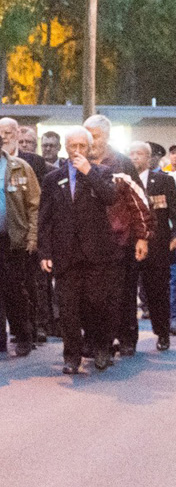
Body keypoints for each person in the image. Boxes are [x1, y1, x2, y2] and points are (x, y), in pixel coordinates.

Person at [38, 128, 119, 373]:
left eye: (82, 146)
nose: (77, 151)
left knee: (97, 303)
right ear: (65, 147)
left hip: (96, 254)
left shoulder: (103, 173)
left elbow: (110, 197)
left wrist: (88, 171)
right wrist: (45, 253)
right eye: (73, 146)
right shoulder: (53, 178)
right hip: (65, 254)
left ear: (90, 148)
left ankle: (101, 347)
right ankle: (71, 356)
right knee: (68, 308)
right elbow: (45, 219)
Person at [86, 114, 151, 358]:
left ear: (107, 135)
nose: (91, 142)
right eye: (88, 136)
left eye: (96, 136)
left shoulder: (122, 163)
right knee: (96, 294)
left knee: (124, 292)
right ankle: (98, 339)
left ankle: (127, 338)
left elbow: (140, 202)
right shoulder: (79, 162)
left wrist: (142, 237)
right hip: (91, 240)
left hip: (121, 238)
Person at [0, 128, 40, 356]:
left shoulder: (20, 167)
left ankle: (23, 335)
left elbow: (34, 204)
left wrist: (33, 235)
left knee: (16, 291)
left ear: (2, 145)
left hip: (14, 240)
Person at [129, 141, 176, 350]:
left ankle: (162, 333)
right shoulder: (123, 181)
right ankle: (128, 338)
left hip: (158, 246)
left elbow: (174, 211)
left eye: (139, 154)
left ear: (149, 158)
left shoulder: (163, 181)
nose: (134, 158)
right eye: (131, 154)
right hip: (129, 245)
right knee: (126, 293)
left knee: (158, 292)